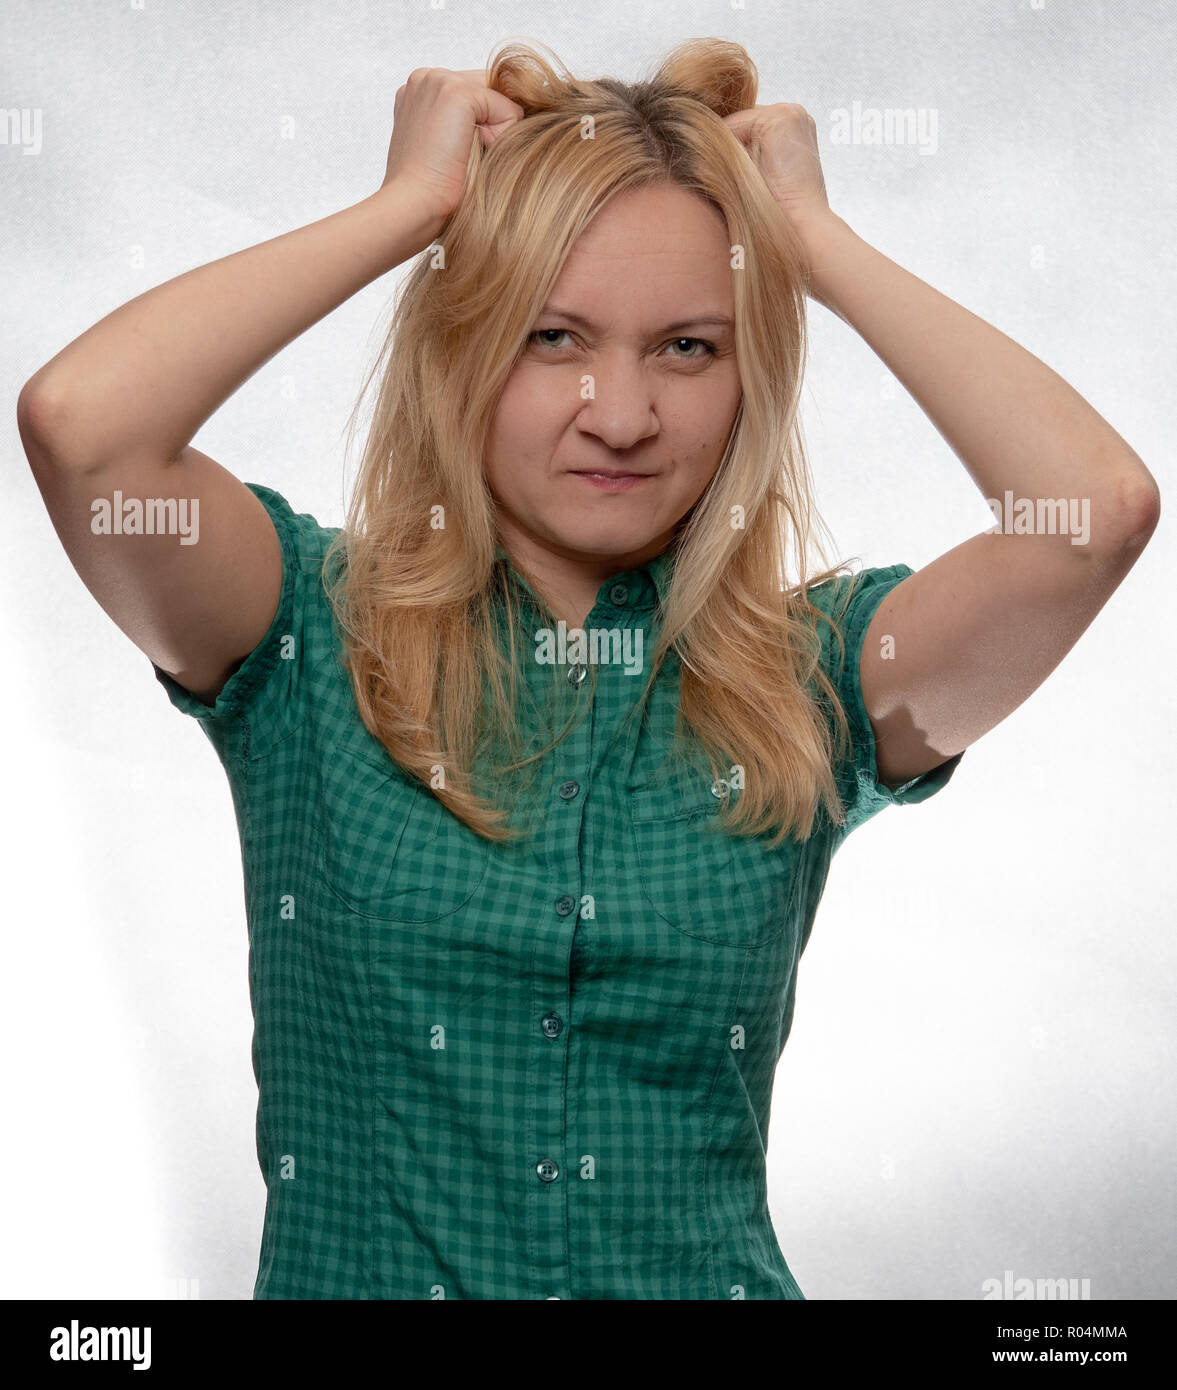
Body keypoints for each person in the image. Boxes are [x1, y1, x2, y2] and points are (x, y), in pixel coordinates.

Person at [18, 37, 1159, 1300]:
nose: (619, 413)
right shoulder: (300, 628)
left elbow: (1091, 514)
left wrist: (811, 244)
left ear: (749, 377)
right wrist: (410, 211)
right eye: (553, 336)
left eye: (688, 348)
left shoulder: (818, 679)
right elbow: (83, 431)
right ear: (464, 345)